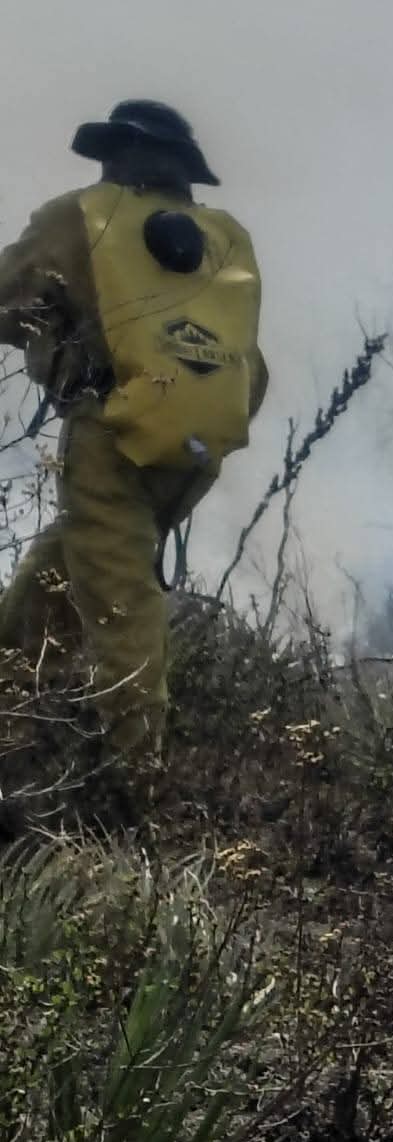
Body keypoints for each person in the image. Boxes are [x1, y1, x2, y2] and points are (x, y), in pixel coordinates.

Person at [0, 100, 268, 763]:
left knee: (122, 613)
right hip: (195, 452)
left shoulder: (82, 215)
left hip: (111, 436)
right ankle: (14, 711)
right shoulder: (223, 239)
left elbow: (4, 296)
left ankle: (137, 784)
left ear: (118, 154)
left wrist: (46, 330)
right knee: (65, 570)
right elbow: (251, 369)